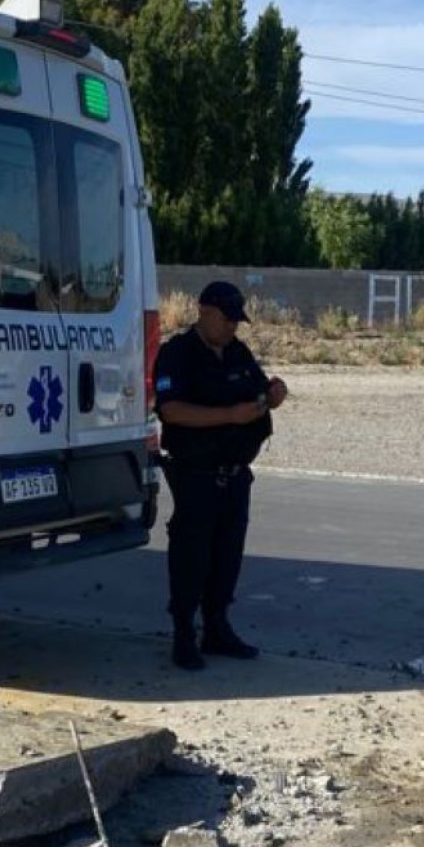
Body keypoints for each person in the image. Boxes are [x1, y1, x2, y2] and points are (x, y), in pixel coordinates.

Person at [154, 281, 289, 670]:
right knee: (191, 556)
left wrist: (274, 396)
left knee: (227, 557)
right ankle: (184, 635)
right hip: (195, 471)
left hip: (235, 473)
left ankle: (217, 628)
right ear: (204, 311)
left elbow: (260, 392)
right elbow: (172, 411)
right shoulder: (177, 354)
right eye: (227, 319)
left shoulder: (237, 352)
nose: (232, 327)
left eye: (236, 320)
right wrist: (228, 416)